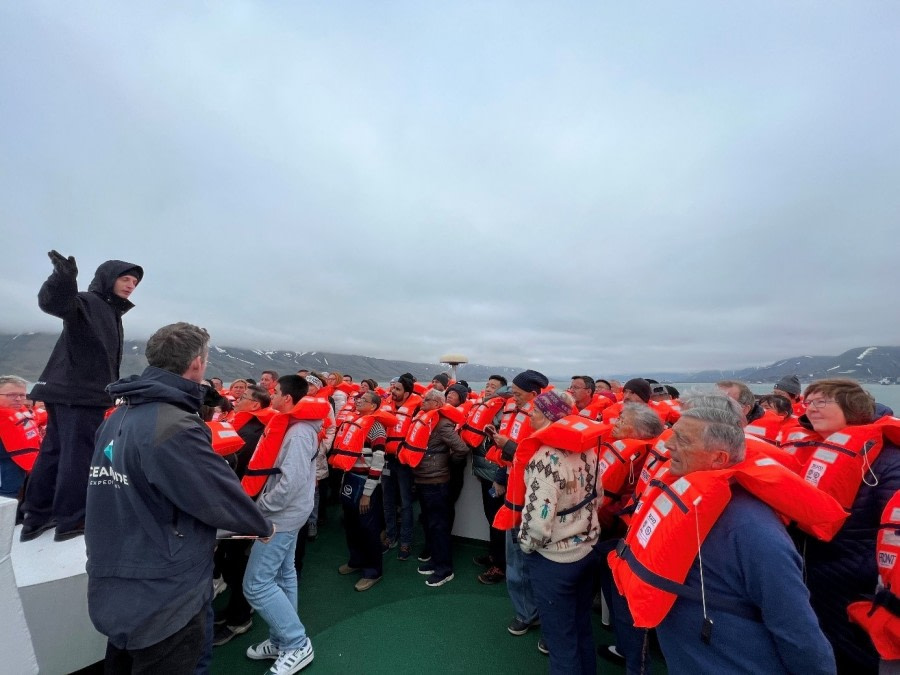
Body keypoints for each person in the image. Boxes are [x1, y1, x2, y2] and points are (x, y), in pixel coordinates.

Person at [85, 322, 272, 675]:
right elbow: (220, 498)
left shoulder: (117, 417)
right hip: (165, 592)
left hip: (114, 575)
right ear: (197, 364)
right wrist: (263, 525)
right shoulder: (174, 427)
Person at [611, 402, 838, 674]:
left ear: (718, 459)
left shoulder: (753, 531)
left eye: (681, 439)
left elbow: (798, 631)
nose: (668, 444)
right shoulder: (687, 500)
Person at [22, 251, 143, 543]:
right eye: (124, 278)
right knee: (78, 456)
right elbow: (55, 303)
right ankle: (72, 519)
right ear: (107, 279)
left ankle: (36, 516)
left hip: (65, 390)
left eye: (135, 282)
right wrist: (63, 279)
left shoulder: (109, 310)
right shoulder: (91, 302)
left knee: (54, 451)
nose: (130, 285)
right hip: (79, 393)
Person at [796, 379, 900, 673]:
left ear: (852, 408)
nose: (811, 409)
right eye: (808, 402)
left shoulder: (889, 462)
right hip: (820, 578)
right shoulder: (820, 451)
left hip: (858, 587)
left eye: (821, 402)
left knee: (859, 659)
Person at [242, 375, 323, 675]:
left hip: (281, 516)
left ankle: (295, 642)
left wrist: (261, 507)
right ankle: (280, 640)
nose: (271, 396)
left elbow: (290, 483)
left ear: (287, 399)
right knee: (284, 574)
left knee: (255, 584)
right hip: (291, 513)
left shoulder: (300, 432)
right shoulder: (296, 427)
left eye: (275, 393)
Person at [519, 390, 602, 673]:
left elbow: (536, 522)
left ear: (549, 418)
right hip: (588, 550)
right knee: (581, 628)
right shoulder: (589, 450)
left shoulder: (546, 459)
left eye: (535, 411)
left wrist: (528, 546)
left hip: (555, 561)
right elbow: (598, 496)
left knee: (560, 639)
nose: (529, 415)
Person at [489, 369, 548, 638]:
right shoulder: (531, 413)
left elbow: (537, 456)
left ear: (534, 395)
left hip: (533, 499)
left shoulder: (545, 421)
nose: (513, 398)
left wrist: (507, 445)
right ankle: (528, 611)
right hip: (519, 492)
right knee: (520, 557)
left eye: (517, 394)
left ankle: (530, 614)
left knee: (522, 559)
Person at [402, 389, 469, 587]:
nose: (423, 401)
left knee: (439, 526)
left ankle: (444, 569)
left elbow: (462, 449)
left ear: (438, 404)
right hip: (423, 479)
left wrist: (447, 462)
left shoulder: (442, 424)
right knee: (430, 524)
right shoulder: (426, 420)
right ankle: (435, 561)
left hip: (436, 482)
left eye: (427, 399)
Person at [330, 391, 395, 591]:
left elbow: (377, 462)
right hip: (350, 480)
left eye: (364, 400)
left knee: (368, 529)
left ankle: (373, 571)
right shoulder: (354, 423)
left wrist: (367, 493)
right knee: (350, 525)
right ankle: (356, 560)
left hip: (366, 484)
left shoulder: (376, 429)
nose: (358, 401)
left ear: (374, 406)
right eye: (358, 399)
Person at [382, 375, 422, 560]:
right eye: (393, 388)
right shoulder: (386, 405)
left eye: (397, 389)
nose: (393, 392)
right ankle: (391, 536)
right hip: (386, 459)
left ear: (407, 393)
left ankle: (405, 542)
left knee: (406, 504)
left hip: (404, 463)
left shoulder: (416, 408)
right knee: (387, 500)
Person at [0, 375, 40, 502]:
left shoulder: (23, 413)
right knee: (6, 498)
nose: (18, 399)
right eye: (11, 395)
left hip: (24, 463)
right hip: (5, 466)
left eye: (22, 395)